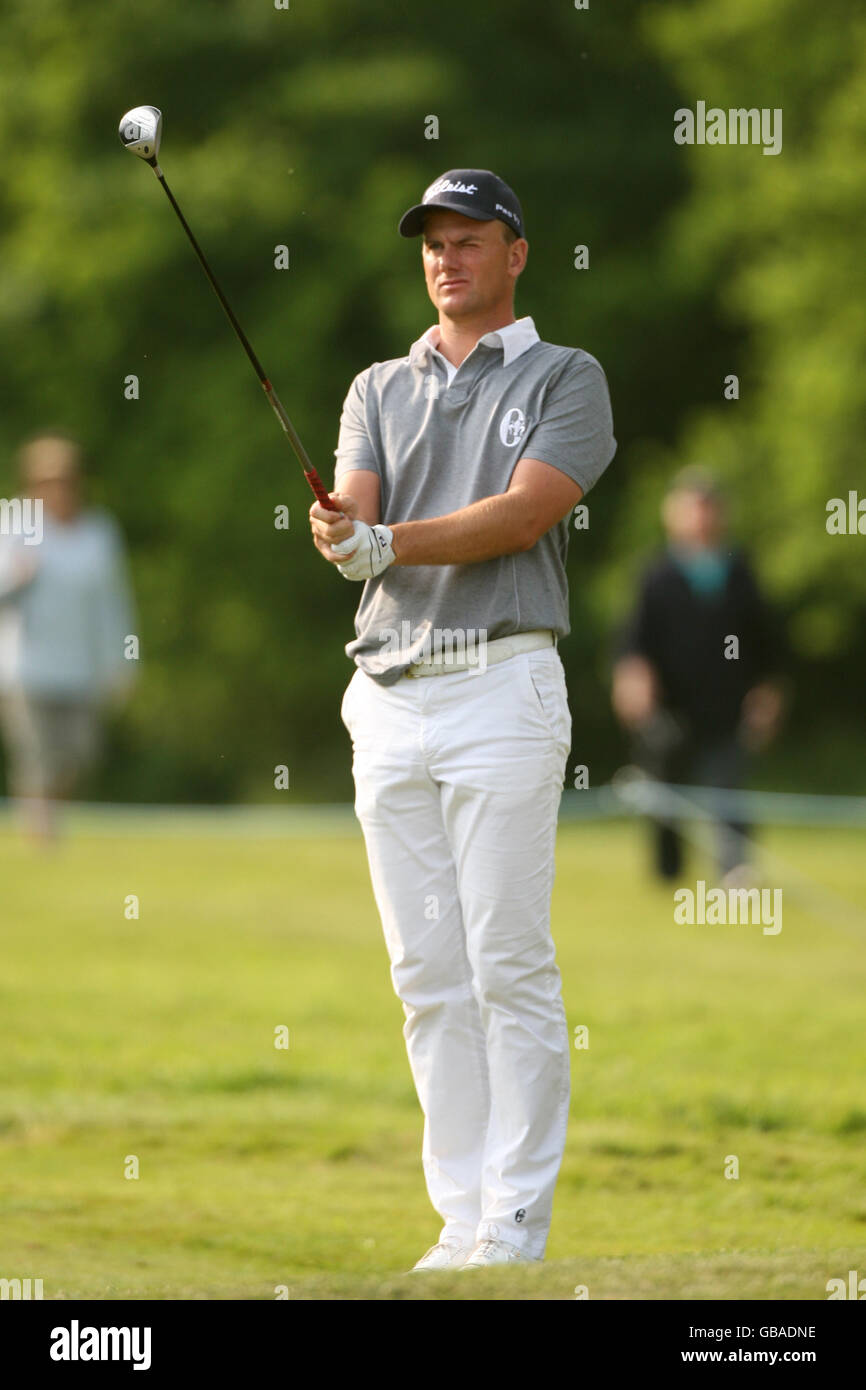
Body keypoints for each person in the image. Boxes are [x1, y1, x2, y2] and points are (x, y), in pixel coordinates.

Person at [308, 169, 616, 1270]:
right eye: (433, 243)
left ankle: (513, 1222)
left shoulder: (565, 375)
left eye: (469, 239)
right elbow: (361, 508)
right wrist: (343, 531)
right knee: (426, 973)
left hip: (501, 683)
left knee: (504, 960)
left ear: (515, 253)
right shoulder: (375, 385)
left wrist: (388, 543)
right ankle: (458, 1220)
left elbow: (524, 510)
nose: (447, 258)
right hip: (386, 695)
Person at [611, 466, 783, 882]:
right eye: (693, 508)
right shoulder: (655, 575)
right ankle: (668, 875)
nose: (701, 518)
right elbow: (633, 644)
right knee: (665, 794)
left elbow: (769, 644)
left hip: (727, 707)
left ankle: (734, 870)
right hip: (669, 711)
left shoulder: (740, 572)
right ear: (673, 514)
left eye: (709, 508)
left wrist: (768, 694)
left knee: (728, 788)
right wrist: (633, 683)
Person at [0, 433, 137, 842]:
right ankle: (43, 839)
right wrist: (16, 576)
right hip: (25, 668)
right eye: (46, 481)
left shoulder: (98, 531)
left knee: (76, 757)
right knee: (36, 758)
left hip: (80, 669)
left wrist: (124, 662)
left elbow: (113, 602)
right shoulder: (15, 522)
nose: (55, 490)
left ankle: (49, 825)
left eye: (63, 480)